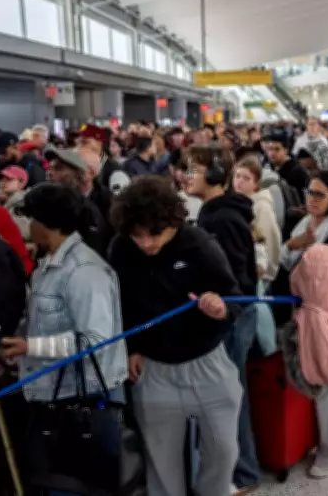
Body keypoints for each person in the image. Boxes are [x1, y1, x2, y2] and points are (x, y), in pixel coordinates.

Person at [108, 176, 243, 496]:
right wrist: (132, 347)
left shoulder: (199, 245)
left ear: (173, 222)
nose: (146, 243)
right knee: (161, 463)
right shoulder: (121, 249)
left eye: (155, 234)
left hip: (206, 363)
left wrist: (221, 309)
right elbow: (119, 305)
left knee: (223, 451)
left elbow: (235, 297)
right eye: (136, 235)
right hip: (155, 370)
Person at [0, 183, 127, 493]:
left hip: (83, 401)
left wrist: (31, 346)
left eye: (31, 219)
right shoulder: (49, 265)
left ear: (45, 223)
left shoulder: (84, 271)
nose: (28, 227)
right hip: (54, 397)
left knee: (78, 485)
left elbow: (96, 342)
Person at [185, 146, 260, 495]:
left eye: (195, 169)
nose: (187, 175)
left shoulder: (221, 219)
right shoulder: (214, 213)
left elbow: (234, 280)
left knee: (230, 397)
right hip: (228, 313)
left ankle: (241, 474)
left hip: (231, 316)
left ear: (216, 174)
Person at [280, 170, 328, 479]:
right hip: (312, 313)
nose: (311, 200)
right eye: (309, 192)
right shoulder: (307, 222)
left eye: (319, 195)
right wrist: (293, 245)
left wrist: (305, 252)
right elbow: (287, 260)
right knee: (324, 378)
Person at [45, 147, 111, 257]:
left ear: (87, 173)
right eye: (50, 168)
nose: (50, 173)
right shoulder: (51, 201)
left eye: (58, 168)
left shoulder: (108, 203)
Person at [232, 157, 282, 281]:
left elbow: (269, 241)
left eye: (246, 178)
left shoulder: (261, 207)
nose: (240, 181)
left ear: (256, 183)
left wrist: (265, 273)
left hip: (259, 274)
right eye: (237, 176)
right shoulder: (235, 202)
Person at [0, 165, 31, 241]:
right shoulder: (11, 201)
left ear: (21, 182)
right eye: (1, 179)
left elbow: (22, 235)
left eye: (8, 179)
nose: (3, 182)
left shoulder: (21, 204)